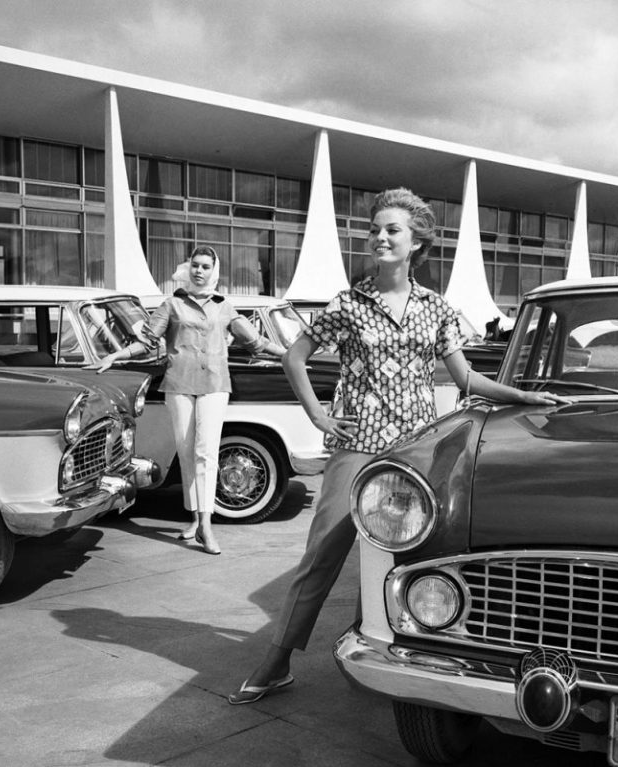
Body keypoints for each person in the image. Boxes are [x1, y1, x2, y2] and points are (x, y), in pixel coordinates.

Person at [228, 187, 568, 704]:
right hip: (359, 445)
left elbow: (466, 378)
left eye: (392, 230)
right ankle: (276, 662)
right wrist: (318, 414)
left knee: (406, 557)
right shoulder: (348, 303)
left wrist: (522, 395)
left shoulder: (437, 309)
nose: (380, 238)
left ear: (417, 243)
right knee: (322, 554)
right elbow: (295, 357)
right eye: (375, 230)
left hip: (415, 454)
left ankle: (389, 656)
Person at [93, 245, 286, 555]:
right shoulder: (172, 304)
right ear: (189, 268)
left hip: (215, 385)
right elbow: (147, 341)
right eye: (195, 265)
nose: (199, 271)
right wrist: (116, 356)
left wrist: (289, 355)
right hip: (179, 385)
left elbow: (256, 342)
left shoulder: (224, 307)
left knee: (206, 453)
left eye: (206, 266)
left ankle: (206, 526)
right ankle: (195, 519)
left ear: (214, 271)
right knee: (186, 453)